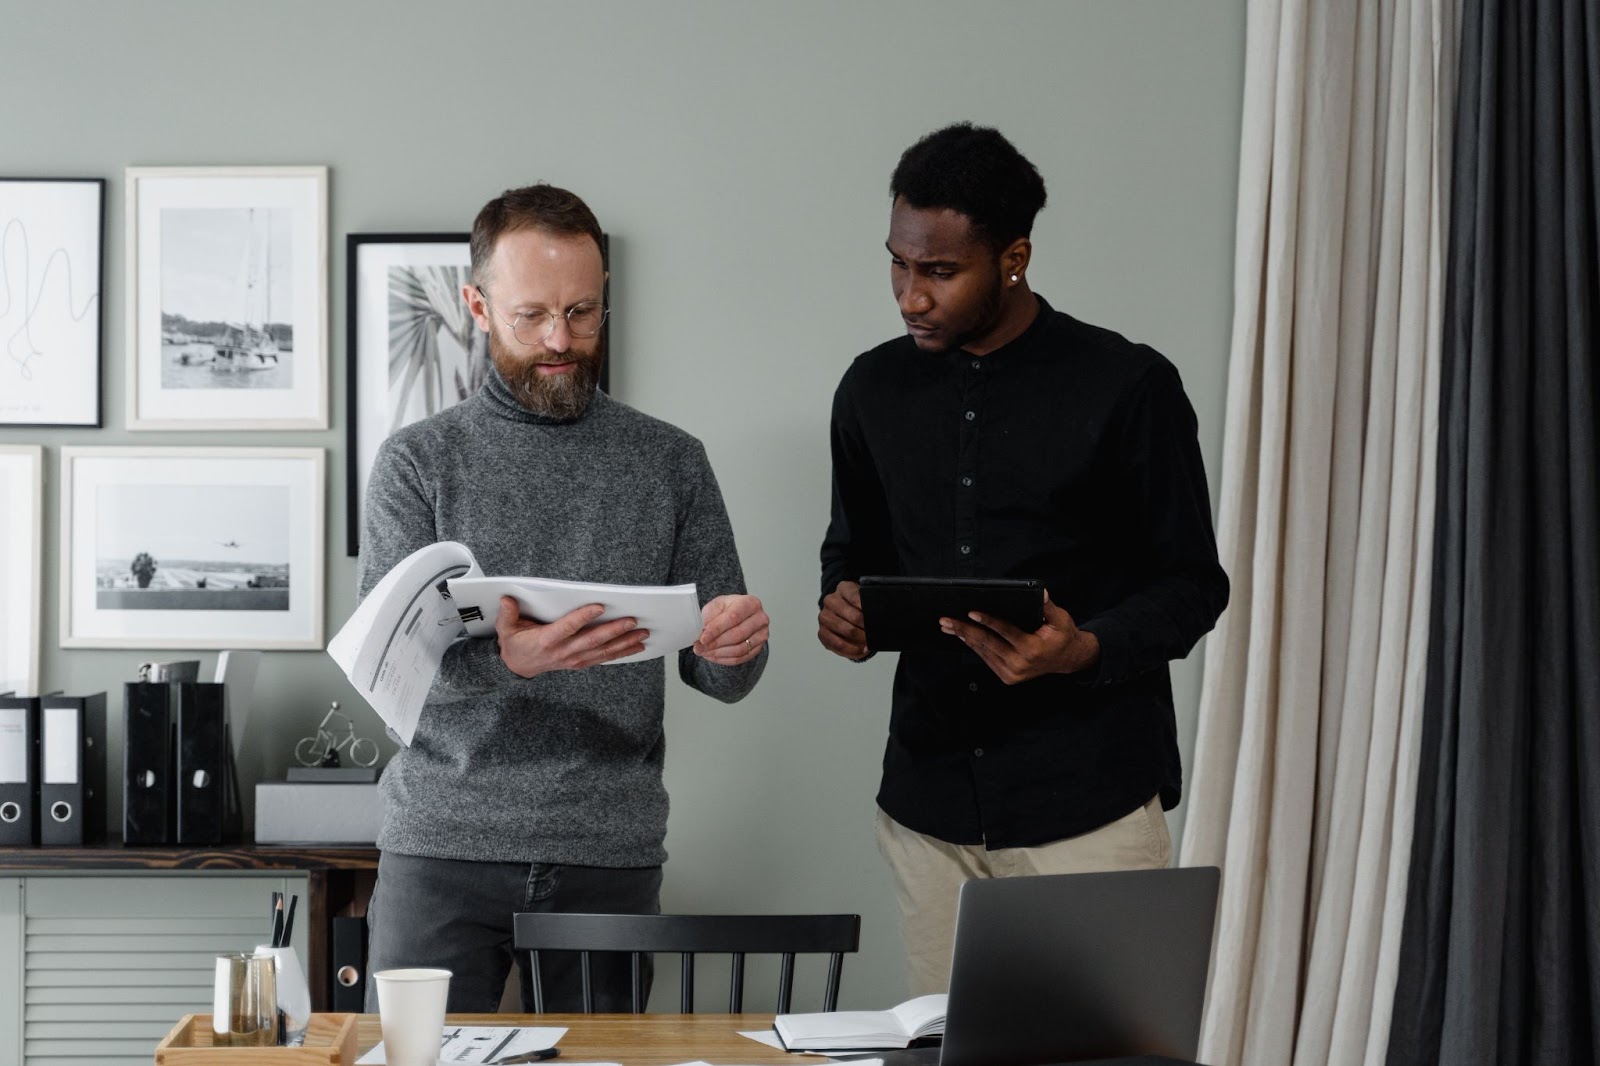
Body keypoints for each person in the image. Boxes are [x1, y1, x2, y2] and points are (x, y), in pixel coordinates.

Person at [817, 123, 1229, 995]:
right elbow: (852, 554)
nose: (909, 296)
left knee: (1108, 1058)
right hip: (928, 810)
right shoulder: (869, 390)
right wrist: (843, 608)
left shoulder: (1128, 385)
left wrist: (1082, 650)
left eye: (939, 272)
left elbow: (1195, 583)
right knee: (944, 1055)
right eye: (898, 263)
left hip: (1091, 806)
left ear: (1013, 258)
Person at [360, 183, 770, 1012]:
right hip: (441, 846)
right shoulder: (416, 462)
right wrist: (509, 664)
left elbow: (720, 675)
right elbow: (384, 669)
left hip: (606, 853)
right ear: (478, 304)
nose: (561, 340)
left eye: (583, 313)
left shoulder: (670, 461)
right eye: (533, 316)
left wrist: (736, 646)